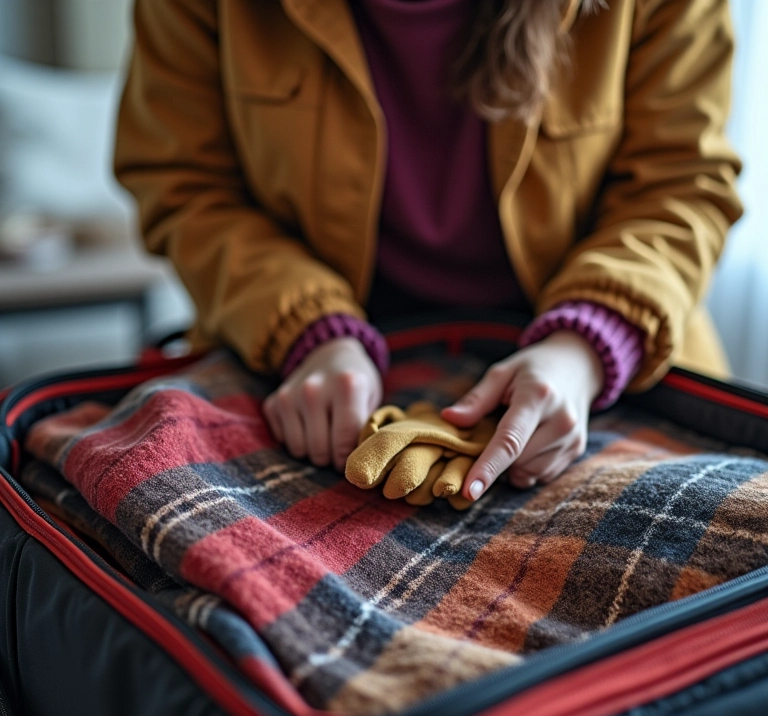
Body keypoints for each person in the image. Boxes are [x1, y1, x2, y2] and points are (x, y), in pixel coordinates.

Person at [114, 0, 742, 502]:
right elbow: (184, 183)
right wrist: (306, 325)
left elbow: (683, 185)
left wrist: (586, 346)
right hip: (302, 372)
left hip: (606, 369)